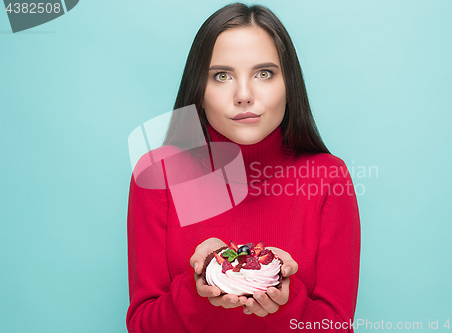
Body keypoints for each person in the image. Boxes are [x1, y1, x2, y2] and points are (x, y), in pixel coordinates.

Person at [126, 3, 360, 332]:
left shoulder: (329, 177)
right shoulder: (156, 176)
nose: (244, 95)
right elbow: (141, 326)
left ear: (289, 85)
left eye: (264, 73)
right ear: (200, 90)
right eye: (222, 76)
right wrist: (199, 288)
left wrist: (284, 301)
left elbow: (337, 326)